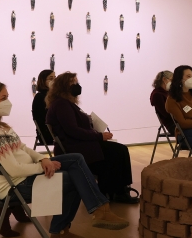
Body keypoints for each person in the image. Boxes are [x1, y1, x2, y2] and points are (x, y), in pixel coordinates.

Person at [0, 80, 128, 238]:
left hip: (25, 175)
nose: (8, 102)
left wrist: (43, 159)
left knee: (76, 159)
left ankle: (99, 210)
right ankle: (60, 232)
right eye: (3, 98)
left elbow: (23, 148)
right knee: (75, 178)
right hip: (16, 185)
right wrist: (42, 166)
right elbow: (14, 170)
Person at [46, 72, 139, 204]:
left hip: (80, 144)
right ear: (64, 86)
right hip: (76, 147)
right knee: (119, 151)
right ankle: (116, 191)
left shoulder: (65, 103)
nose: (76, 85)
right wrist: (99, 136)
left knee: (120, 150)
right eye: (73, 83)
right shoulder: (62, 104)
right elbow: (73, 130)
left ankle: (117, 190)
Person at [32, 69, 55, 145]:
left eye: (55, 78)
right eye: (51, 78)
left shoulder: (53, 96)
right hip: (48, 134)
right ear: (43, 81)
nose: (54, 80)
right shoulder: (40, 97)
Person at [150, 71, 174, 135]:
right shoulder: (157, 94)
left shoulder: (168, 93)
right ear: (164, 79)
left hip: (177, 121)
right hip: (172, 124)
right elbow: (166, 113)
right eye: (171, 80)